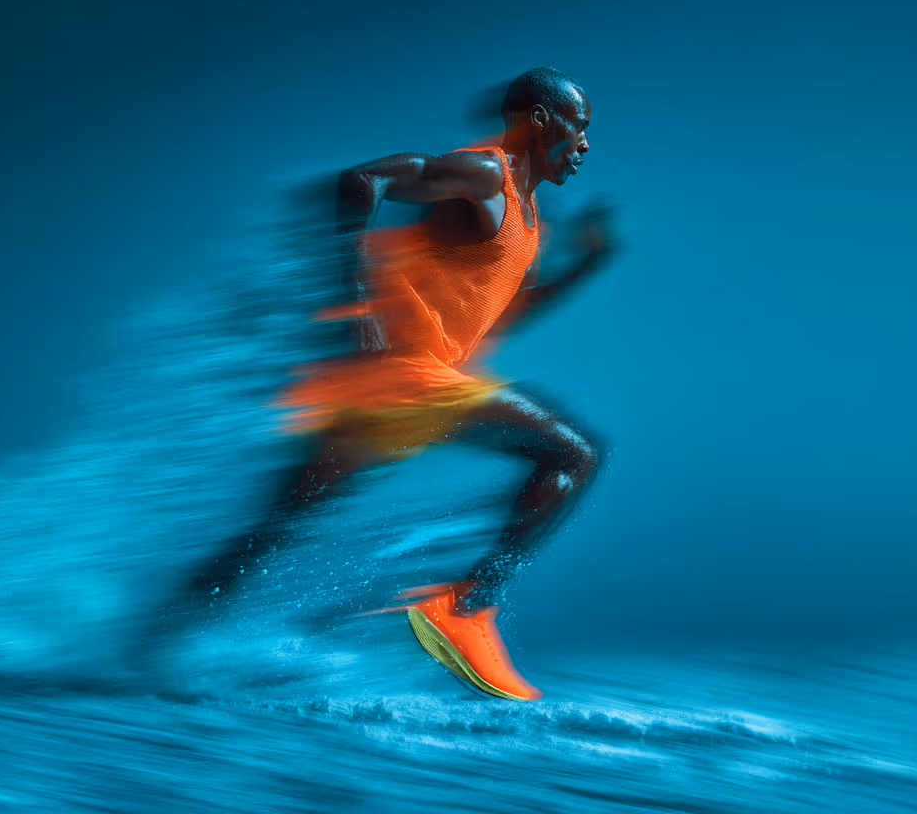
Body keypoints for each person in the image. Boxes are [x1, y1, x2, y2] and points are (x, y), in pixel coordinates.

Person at [154, 66, 612, 701]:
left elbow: (503, 308)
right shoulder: (485, 175)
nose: (585, 143)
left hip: (381, 392)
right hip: (407, 382)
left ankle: (152, 644)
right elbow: (358, 180)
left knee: (271, 530)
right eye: (578, 126)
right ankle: (466, 604)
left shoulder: (529, 221)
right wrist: (359, 301)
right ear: (539, 120)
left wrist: (584, 268)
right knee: (574, 454)